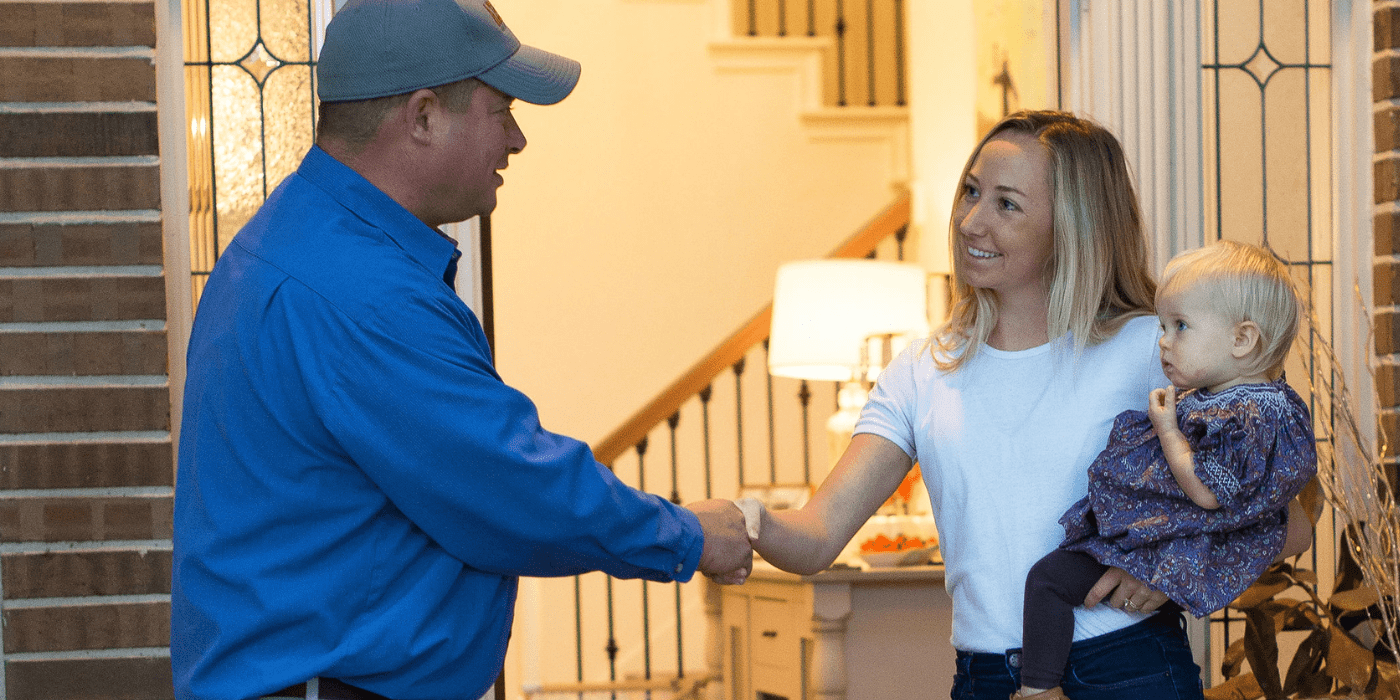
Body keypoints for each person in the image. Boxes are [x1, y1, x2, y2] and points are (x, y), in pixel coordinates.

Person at [170, 2, 752, 699]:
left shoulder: (302, 240)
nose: (517, 139)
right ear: (421, 117)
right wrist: (690, 535)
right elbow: (509, 484)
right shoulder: (358, 290)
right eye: (500, 109)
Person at [745, 111, 1313, 700]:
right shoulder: (920, 371)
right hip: (986, 681)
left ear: (1073, 226)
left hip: (1128, 670)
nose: (970, 221)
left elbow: (1289, 521)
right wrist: (743, 523)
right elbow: (815, 537)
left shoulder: (1156, 352)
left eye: (1006, 204)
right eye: (971, 192)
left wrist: (1166, 568)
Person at [1016, 240, 1317, 700]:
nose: (1163, 340)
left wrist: (1168, 430)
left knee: (1048, 582)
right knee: (1049, 581)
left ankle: (1037, 691)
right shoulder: (1237, 402)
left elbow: (1209, 492)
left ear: (1242, 339)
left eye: (1180, 326)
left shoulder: (1249, 414)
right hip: (1153, 541)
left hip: (1152, 541)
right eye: (1163, 325)